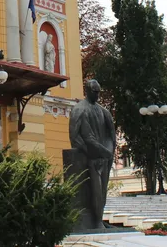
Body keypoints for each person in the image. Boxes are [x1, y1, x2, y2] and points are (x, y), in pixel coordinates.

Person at [69, 79, 116, 229]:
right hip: (91, 157)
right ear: (87, 91)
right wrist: (91, 152)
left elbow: (111, 135)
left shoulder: (103, 111)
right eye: (95, 92)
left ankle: (99, 219)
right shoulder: (79, 109)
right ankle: (95, 221)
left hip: (104, 157)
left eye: (99, 92)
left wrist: (108, 152)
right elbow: (76, 136)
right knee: (95, 190)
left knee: (102, 190)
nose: (97, 95)